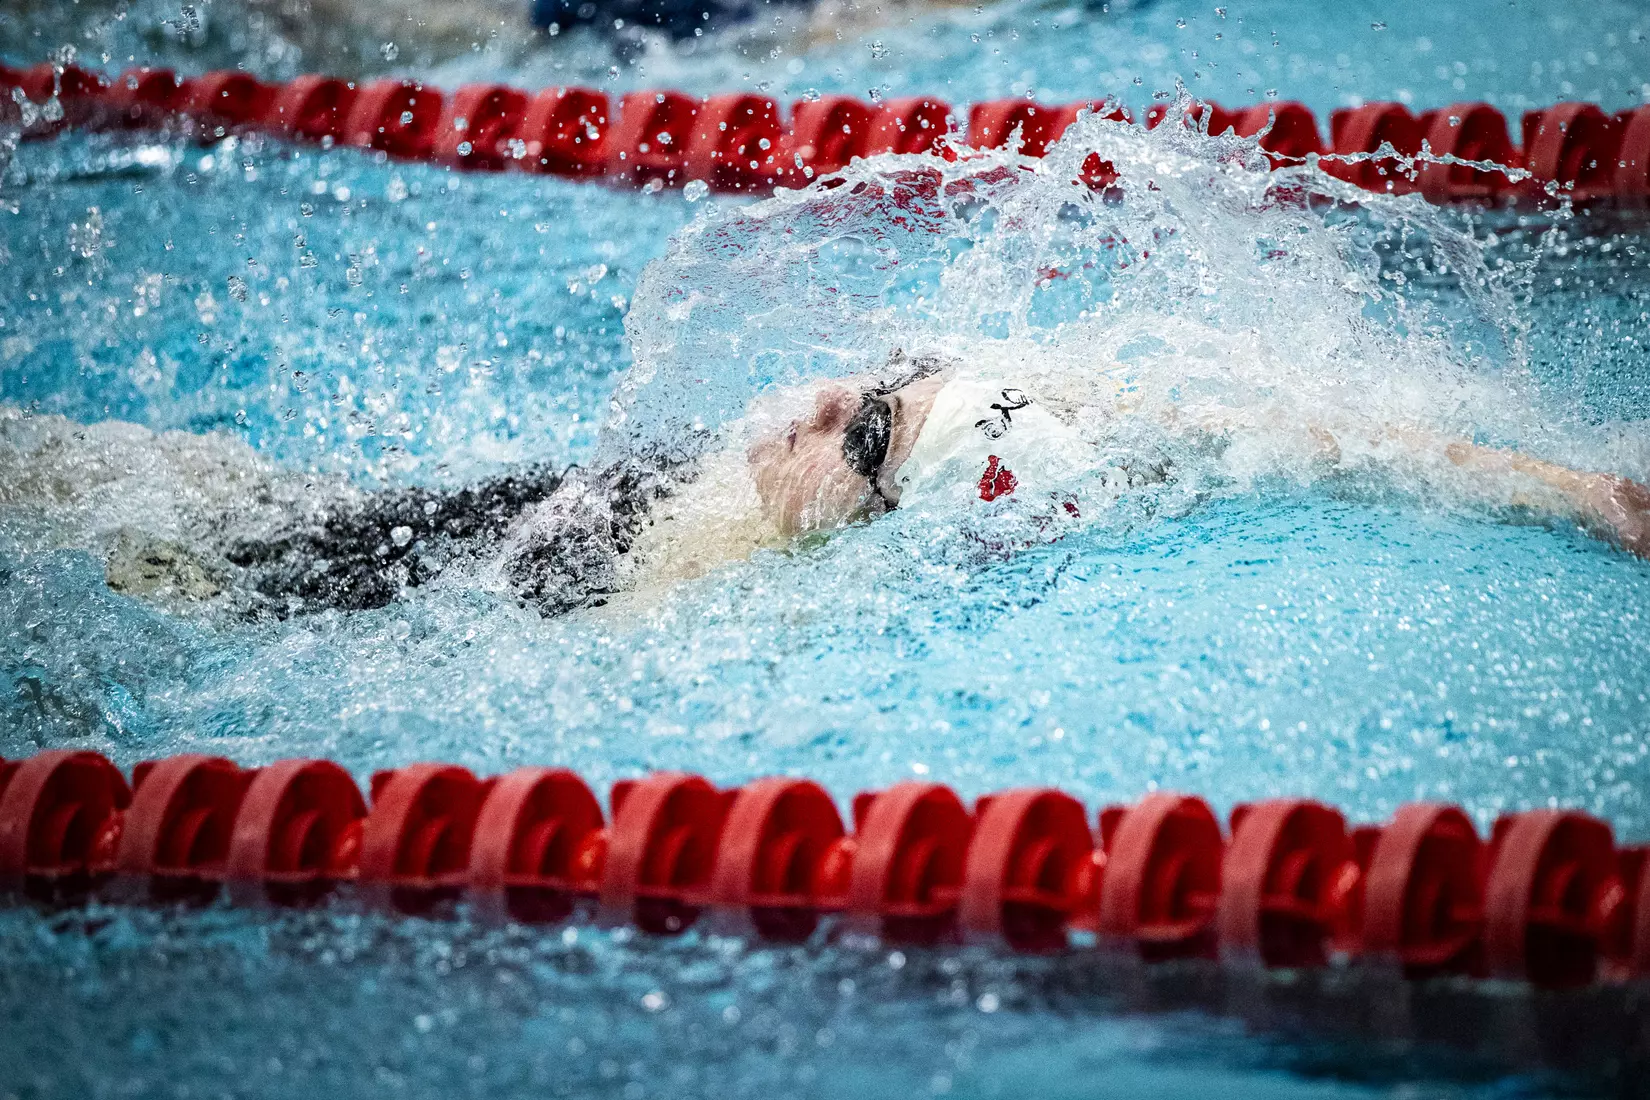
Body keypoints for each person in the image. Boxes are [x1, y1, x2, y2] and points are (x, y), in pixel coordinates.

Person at [224, 349, 1650, 618]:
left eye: (867, 438)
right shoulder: (1076, 424)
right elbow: (1315, 434)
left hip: (564, 564)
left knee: (232, 568)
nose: (832, 400)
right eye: (895, 378)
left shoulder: (713, 594)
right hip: (587, 500)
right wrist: (1570, 489)